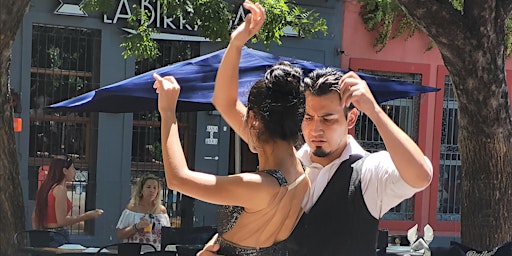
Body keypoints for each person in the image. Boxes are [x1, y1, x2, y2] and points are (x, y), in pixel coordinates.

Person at [199, 69, 433, 255]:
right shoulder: (289, 163)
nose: (315, 129)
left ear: (350, 118)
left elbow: (421, 175)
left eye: (327, 119)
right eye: (308, 118)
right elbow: (227, 104)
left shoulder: (368, 172)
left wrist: (374, 110)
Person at [153, 1, 309, 254]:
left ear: (255, 120)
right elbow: (224, 101)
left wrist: (168, 112)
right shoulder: (300, 173)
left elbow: (178, 179)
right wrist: (236, 44)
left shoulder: (260, 186)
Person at [32, 156, 103, 241]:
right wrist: (86, 216)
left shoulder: (45, 188)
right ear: (65, 171)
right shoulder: (60, 189)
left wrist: (37, 234)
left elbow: (35, 216)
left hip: (43, 233)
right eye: (72, 169)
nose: (75, 172)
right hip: (56, 234)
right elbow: (61, 221)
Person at [116, 173, 170, 251]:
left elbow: (168, 235)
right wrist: (136, 227)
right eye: (148, 187)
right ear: (141, 190)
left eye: (155, 188)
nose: (152, 190)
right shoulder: (132, 208)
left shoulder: (162, 211)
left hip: (156, 252)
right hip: (136, 252)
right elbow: (120, 234)